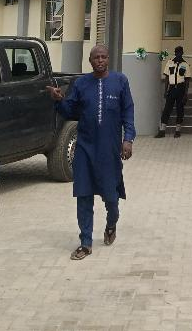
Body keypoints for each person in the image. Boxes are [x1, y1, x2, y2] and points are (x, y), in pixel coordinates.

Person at [47, 44, 135, 260]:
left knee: (111, 197)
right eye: (96, 57)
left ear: (108, 59)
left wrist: (128, 139)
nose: (100, 60)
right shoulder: (81, 84)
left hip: (110, 150)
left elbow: (128, 111)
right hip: (85, 148)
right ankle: (85, 242)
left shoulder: (120, 81)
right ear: (90, 60)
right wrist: (59, 100)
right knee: (84, 195)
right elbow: (70, 111)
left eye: (104, 57)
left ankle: (111, 223)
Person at [156, 45, 191, 138]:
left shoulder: (185, 64)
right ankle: (162, 131)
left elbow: (187, 80)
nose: (178, 54)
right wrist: (165, 90)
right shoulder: (169, 63)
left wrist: (186, 94)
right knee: (167, 109)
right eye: (176, 52)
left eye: (180, 53)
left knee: (180, 109)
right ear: (175, 53)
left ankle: (177, 130)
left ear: (182, 53)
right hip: (171, 89)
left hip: (181, 89)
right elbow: (167, 77)